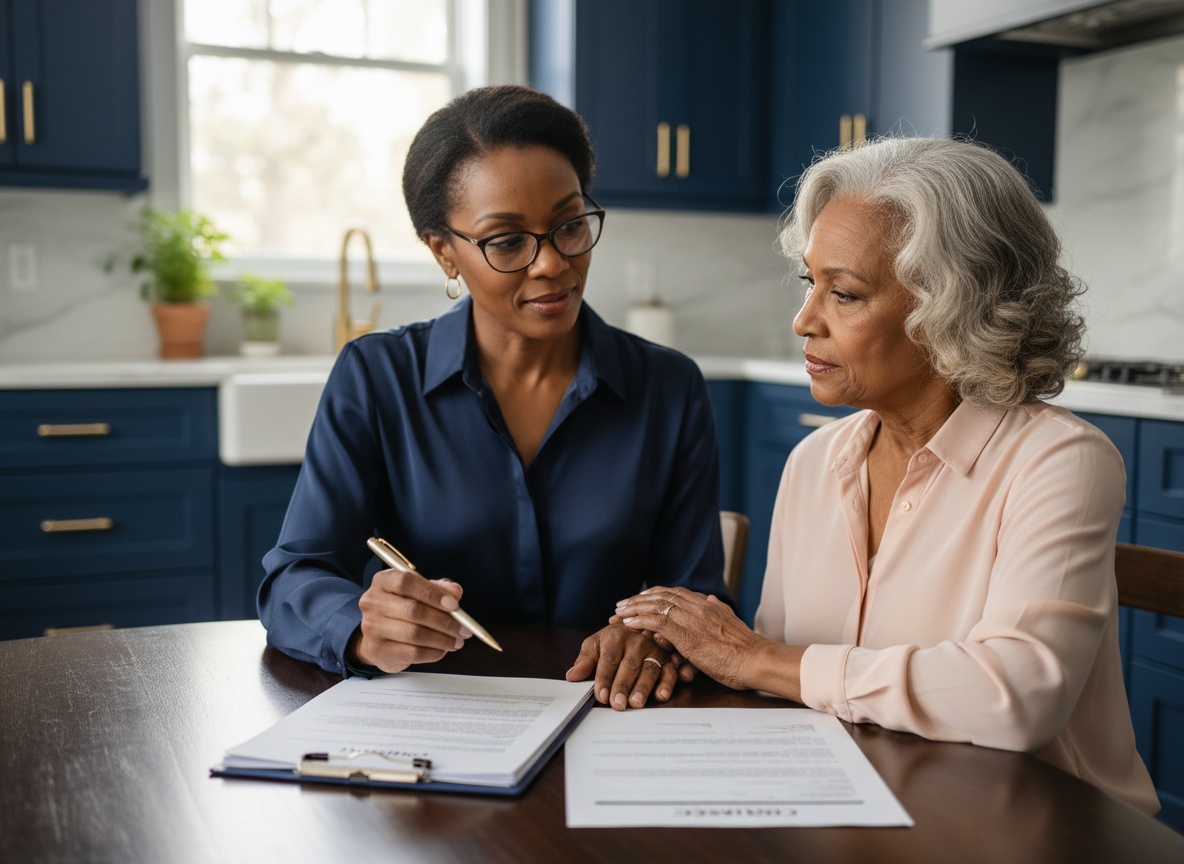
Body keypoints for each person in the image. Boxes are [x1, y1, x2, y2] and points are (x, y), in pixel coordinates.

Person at [614, 136, 1160, 813]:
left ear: (953, 309)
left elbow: (1016, 698)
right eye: (809, 284)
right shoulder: (813, 463)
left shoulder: (1060, 462)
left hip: (1042, 828)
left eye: (843, 293)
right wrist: (681, 650)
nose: (803, 321)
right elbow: (778, 678)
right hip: (861, 811)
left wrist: (754, 658)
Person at [258, 84, 726, 712]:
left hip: (606, 717)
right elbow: (294, 575)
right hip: (433, 720)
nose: (552, 265)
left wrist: (652, 634)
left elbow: (696, 595)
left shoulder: (669, 389)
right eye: (507, 241)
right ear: (442, 251)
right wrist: (363, 629)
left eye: (569, 226)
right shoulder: (376, 378)